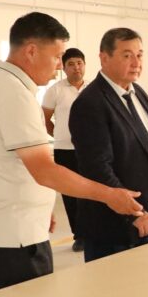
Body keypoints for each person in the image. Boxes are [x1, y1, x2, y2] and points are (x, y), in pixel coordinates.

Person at [0, 12, 143, 292]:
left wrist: (41, 206)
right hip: (15, 240)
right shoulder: (14, 94)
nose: (60, 66)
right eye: (57, 56)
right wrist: (110, 195)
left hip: (1, 231)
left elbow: (12, 163)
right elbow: (45, 170)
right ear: (31, 51)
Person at [69, 28, 148, 262]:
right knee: (115, 285)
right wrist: (134, 214)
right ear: (104, 58)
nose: (136, 62)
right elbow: (96, 168)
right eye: (127, 55)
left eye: (140, 55)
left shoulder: (137, 92)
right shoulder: (90, 103)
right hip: (116, 227)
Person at [42, 47, 87, 252]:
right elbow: (45, 119)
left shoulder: (93, 88)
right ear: (64, 67)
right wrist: (59, 135)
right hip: (64, 150)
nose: (76, 67)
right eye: (71, 64)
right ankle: (79, 235)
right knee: (71, 194)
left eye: (79, 63)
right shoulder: (55, 90)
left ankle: (95, 232)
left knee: (91, 192)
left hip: (90, 149)